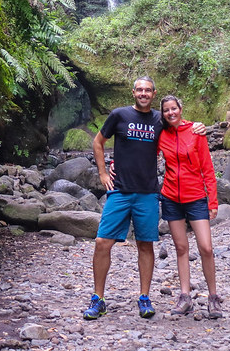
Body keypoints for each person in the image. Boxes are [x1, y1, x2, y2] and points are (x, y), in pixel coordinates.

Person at [82, 76, 206, 320]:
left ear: (153, 93)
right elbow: (98, 142)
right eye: (139, 90)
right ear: (133, 92)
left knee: (145, 244)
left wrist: (197, 126)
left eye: (148, 90)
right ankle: (98, 299)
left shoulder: (160, 119)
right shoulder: (119, 115)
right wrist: (103, 172)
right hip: (119, 190)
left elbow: (179, 124)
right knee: (102, 243)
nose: (143, 93)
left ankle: (144, 297)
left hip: (148, 193)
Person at [157, 94, 223, 319]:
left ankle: (213, 297)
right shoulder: (161, 134)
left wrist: (212, 201)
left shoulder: (195, 132)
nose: (170, 113)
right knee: (181, 248)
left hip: (195, 197)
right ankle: (185, 297)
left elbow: (208, 169)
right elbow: (144, 154)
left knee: (206, 247)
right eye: (166, 110)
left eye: (173, 108)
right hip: (171, 198)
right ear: (163, 113)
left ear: (180, 109)